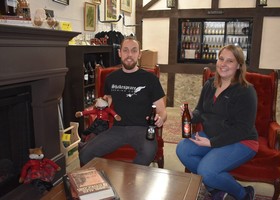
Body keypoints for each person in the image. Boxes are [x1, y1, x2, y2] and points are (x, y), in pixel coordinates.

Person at [176, 45, 258, 200]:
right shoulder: (210, 84)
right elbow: (201, 110)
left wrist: (212, 143)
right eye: (221, 59)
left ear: (239, 65)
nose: (223, 64)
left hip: (242, 141)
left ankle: (244, 194)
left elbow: (243, 129)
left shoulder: (246, 91)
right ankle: (216, 189)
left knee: (206, 171)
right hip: (212, 135)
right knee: (182, 149)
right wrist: (192, 115)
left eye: (230, 61)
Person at [79, 36, 167, 166]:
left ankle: (129, 181)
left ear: (139, 54)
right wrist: (101, 104)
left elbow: (162, 110)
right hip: (117, 129)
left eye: (134, 50)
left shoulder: (150, 79)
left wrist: (161, 118)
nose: (129, 54)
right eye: (125, 50)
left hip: (142, 129)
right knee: (85, 154)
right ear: (120, 53)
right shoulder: (111, 78)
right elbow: (106, 101)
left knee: (149, 152)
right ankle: (107, 181)